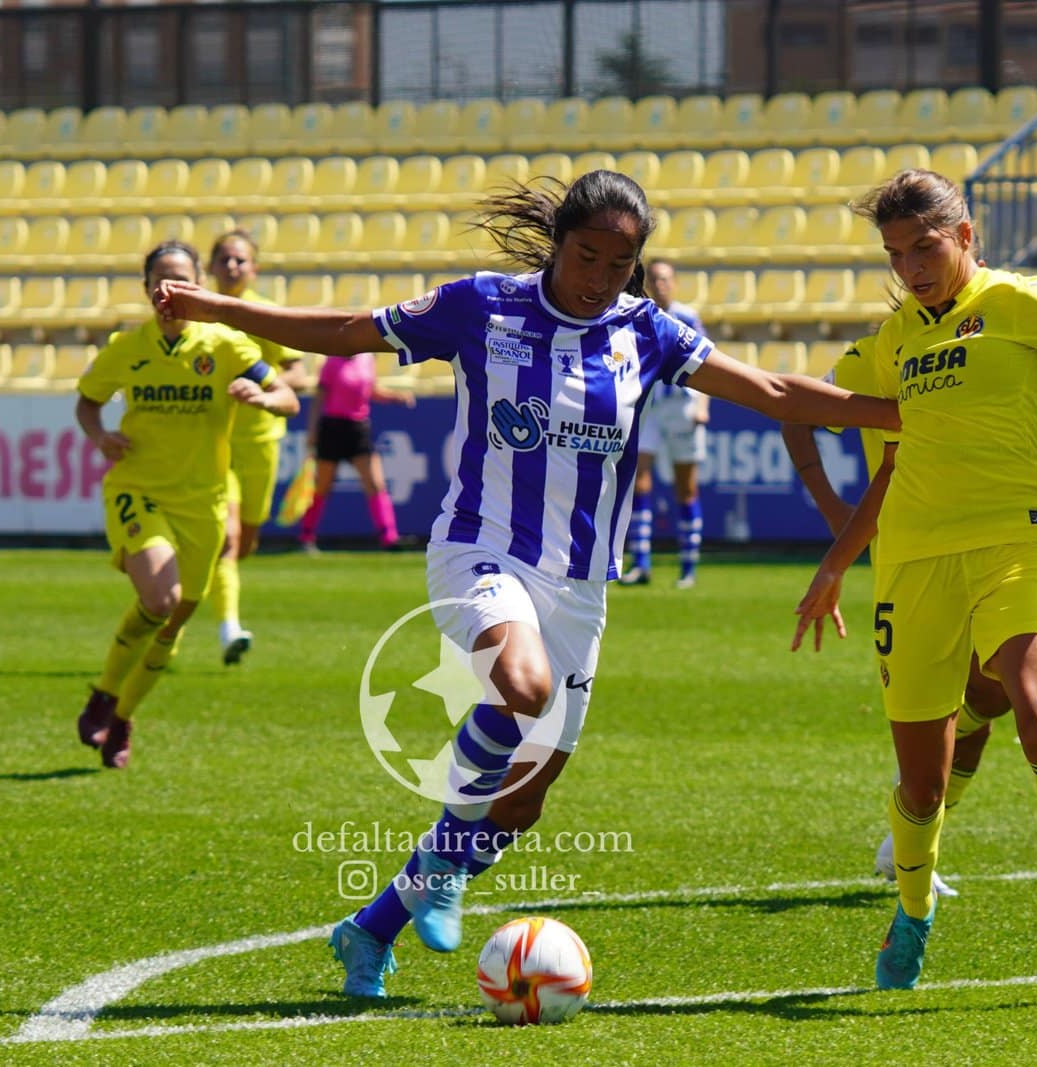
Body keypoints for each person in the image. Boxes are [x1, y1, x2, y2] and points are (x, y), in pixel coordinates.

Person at [152, 169, 900, 998]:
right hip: (482, 548)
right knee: (523, 684)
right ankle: (442, 866)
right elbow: (342, 329)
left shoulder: (646, 331)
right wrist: (217, 308)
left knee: (523, 803)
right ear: (558, 244)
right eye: (587, 256)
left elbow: (771, 390)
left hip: (580, 586)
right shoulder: (483, 305)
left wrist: (898, 414)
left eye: (620, 264)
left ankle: (369, 930)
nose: (600, 277)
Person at [789, 170, 1037, 991]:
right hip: (917, 566)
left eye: (924, 247)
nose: (911, 267)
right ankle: (914, 913)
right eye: (895, 253)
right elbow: (812, 414)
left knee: (1036, 716)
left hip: (1018, 544)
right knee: (921, 786)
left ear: (966, 236)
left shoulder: (1023, 303)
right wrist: (836, 548)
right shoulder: (893, 346)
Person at [781, 334, 1037, 897]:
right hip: (918, 556)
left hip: (1007, 544)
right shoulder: (880, 355)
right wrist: (832, 507)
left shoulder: (1013, 346)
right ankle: (913, 834)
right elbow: (795, 413)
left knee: (994, 695)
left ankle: (912, 829)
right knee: (974, 704)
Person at [73, 241, 298, 769]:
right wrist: (99, 434)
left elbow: (288, 395)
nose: (169, 290)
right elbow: (86, 402)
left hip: (204, 502)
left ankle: (123, 718)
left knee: (172, 624)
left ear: (198, 285)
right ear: (148, 288)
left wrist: (264, 398)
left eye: (181, 279)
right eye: (160, 280)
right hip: (139, 488)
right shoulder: (126, 347)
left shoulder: (225, 345)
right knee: (160, 597)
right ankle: (104, 693)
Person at [204, 230, 308, 665]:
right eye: (225, 259)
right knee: (226, 540)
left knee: (244, 543)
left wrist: (266, 387)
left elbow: (299, 375)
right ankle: (229, 628)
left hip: (261, 443)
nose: (232, 267)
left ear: (254, 269)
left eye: (240, 260)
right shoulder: (197, 316)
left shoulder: (266, 314)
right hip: (210, 444)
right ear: (210, 267)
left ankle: (202, 584)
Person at [621, 258, 709, 589]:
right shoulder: (638, 316)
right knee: (639, 480)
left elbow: (707, 363)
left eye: (665, 279)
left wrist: (702, 405)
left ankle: (688, 568)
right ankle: (641, 562)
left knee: (685, 488)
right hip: (650, 411)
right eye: (655, 279)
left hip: (682, 409)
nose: (660, 285)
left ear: (673, 283)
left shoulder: (687, 317)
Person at [296, 350, 415, 554]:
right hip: (333, 428)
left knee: (375, 483)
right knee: (322, 486)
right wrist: (312, 431)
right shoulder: (331, 363)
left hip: (358, 429)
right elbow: (319, 399)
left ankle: (389, 538)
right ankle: (306, 536)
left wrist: (396, 397)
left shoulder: (367, 360)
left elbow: (371, 391)